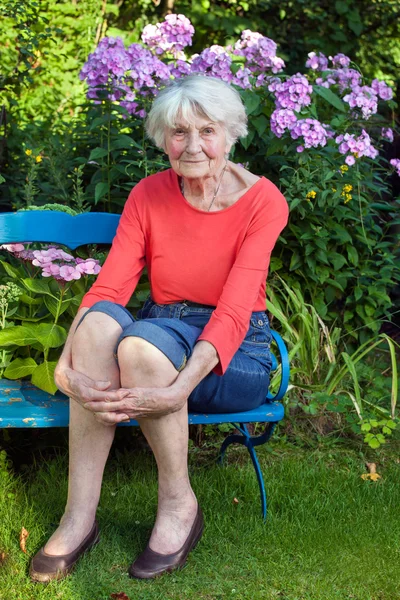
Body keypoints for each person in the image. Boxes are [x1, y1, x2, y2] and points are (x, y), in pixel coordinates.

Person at [29, 74, 289, 583]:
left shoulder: (263, 202)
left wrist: (179, 390)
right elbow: (108, 290)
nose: (192, 146)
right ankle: (78, 517)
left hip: (238, 350)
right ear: (162, 138)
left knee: (142, 352)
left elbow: (235, 311)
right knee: (99, 328)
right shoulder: (148, 194)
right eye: (178, 132)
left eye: (207, 131)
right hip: (163, 328)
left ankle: (178, 505)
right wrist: (65, 365)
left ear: (231, 134)